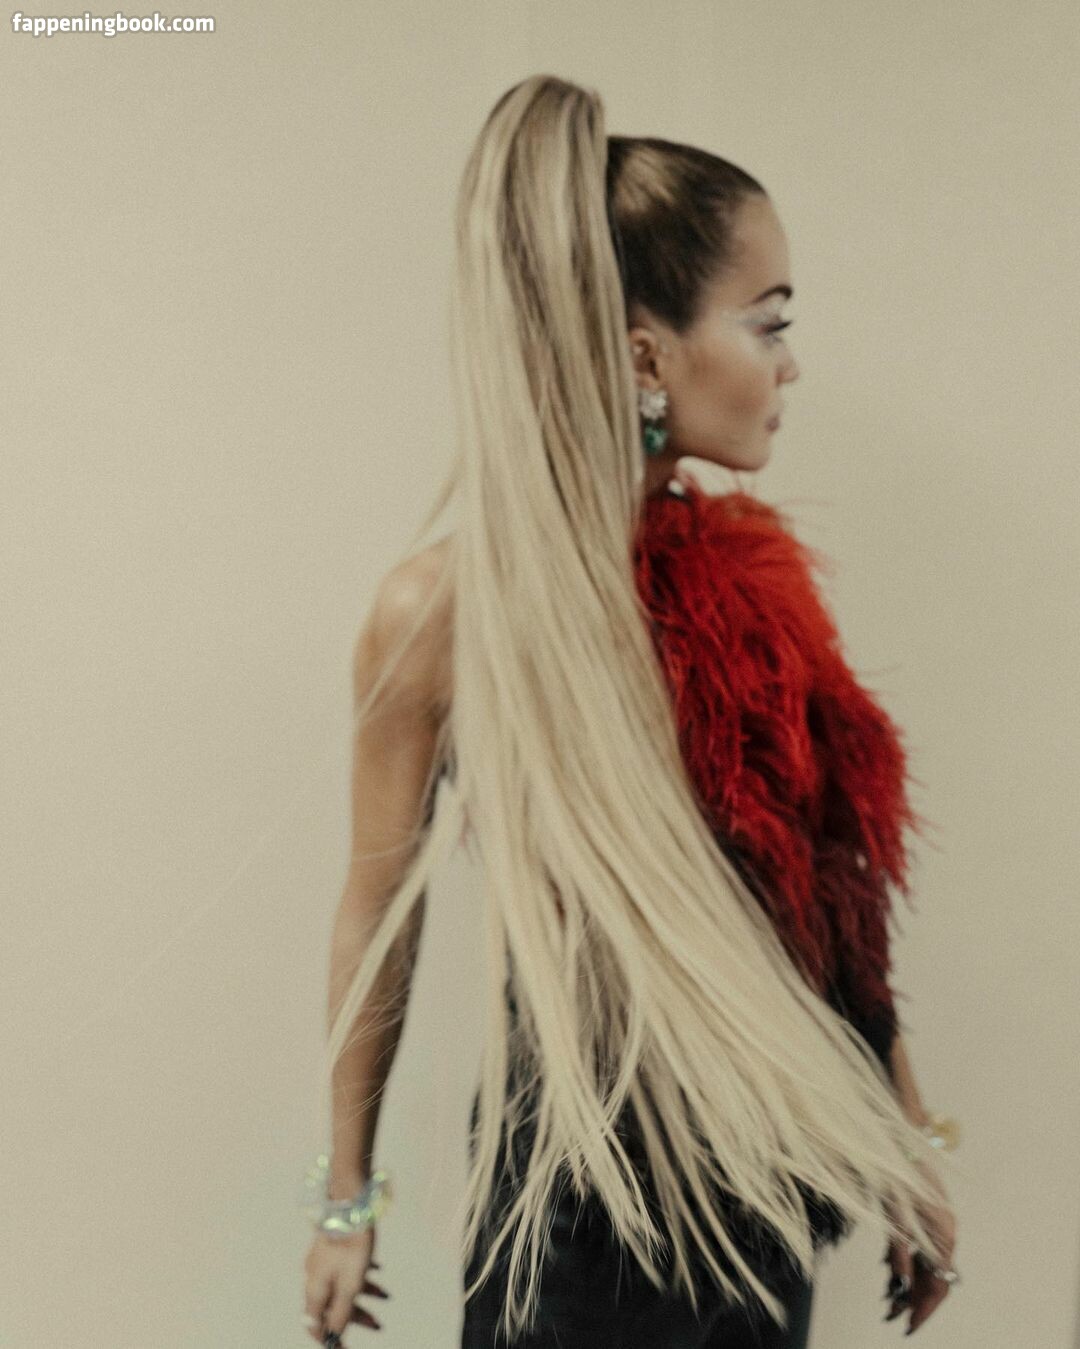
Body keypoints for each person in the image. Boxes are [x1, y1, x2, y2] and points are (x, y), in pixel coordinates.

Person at [302, 74, 960, 1347]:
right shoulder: (447, 609)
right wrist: (345, 1198)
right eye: (766, 323)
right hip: (581, 1215)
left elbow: (825, 910)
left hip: (763, 1191)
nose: (789, 361)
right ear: (650, 356)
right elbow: (378, 915)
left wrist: (906, 1139)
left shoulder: (750, 599)